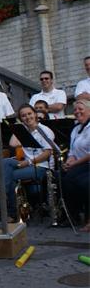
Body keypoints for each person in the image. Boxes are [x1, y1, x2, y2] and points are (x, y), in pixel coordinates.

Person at [1, 104, 55, 221]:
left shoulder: (44, 130)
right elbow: (12, 144)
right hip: (27, 164)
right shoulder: (24, 130)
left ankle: (12, 211)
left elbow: (47, 153)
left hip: (42, 166)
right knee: (5, 162)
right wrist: (19, 127)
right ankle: (5, 195)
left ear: (35, 114)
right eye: (23, 116)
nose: (27, 117)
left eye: (29, 114)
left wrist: (29, 162)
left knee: (11, 175)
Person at [62, 99, 90, 232]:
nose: (77, 112)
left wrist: (74, 164)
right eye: (75, 110)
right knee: (65, 179)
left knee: (85, 183)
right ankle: (73, 215)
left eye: (81, 109)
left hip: (86, 163)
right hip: (81, 165)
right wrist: (69, 161)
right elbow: (72, 151)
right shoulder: (76, 129)